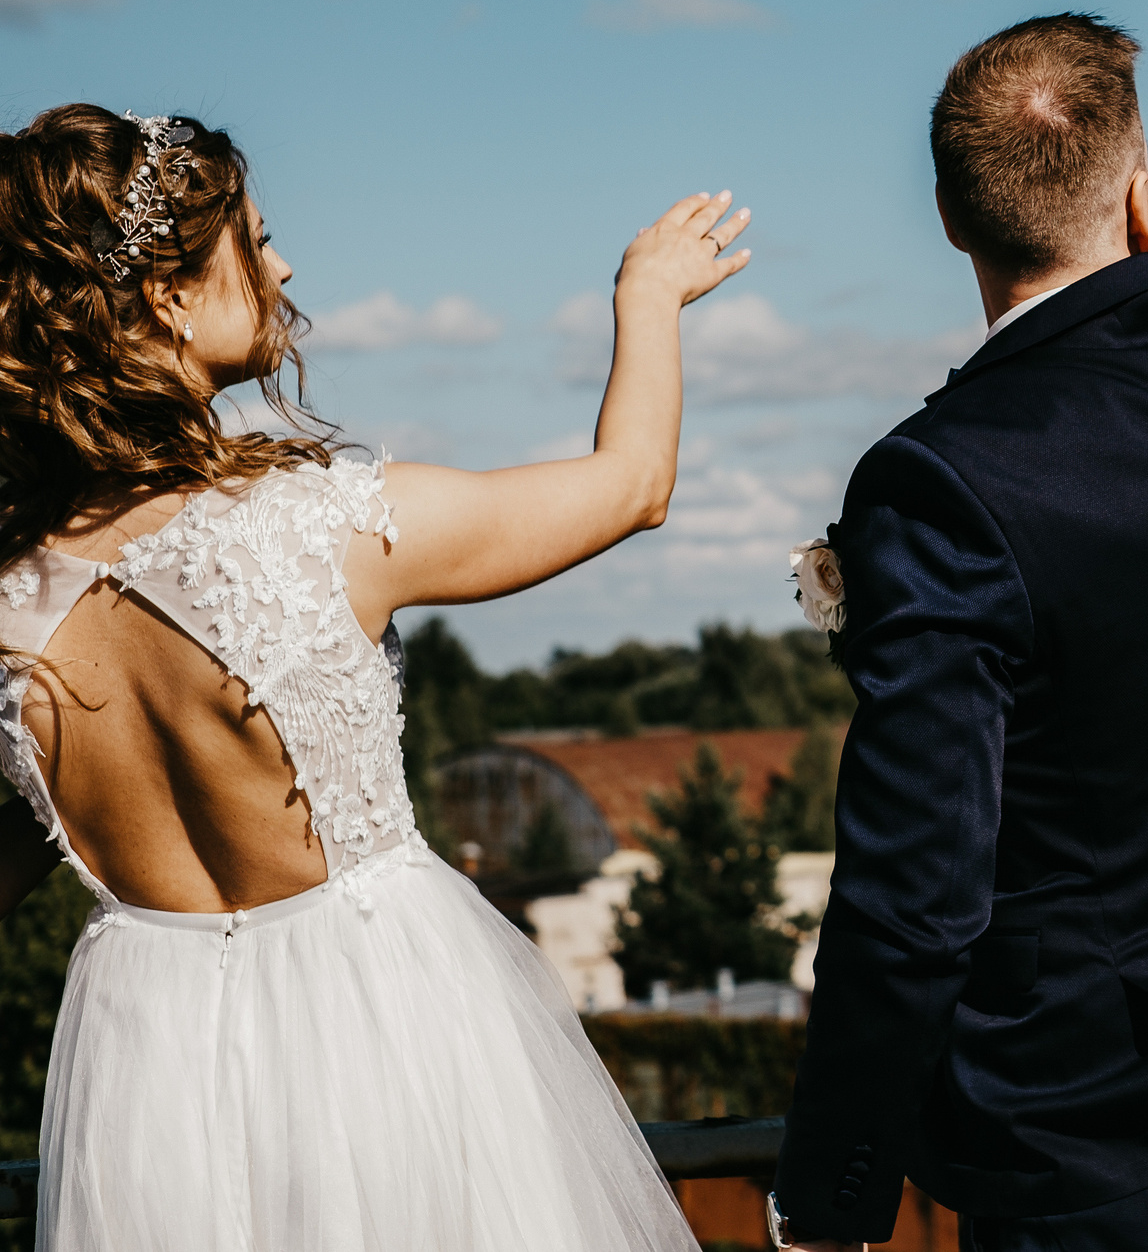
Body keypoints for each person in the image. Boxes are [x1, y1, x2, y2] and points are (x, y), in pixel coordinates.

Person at [0, 103, 750, 1251]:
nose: (284, 262)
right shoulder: (316, 528)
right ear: (166, 297)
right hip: (379, 1028)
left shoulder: (10, 607)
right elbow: (632, 484)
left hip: (150, 1079)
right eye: (253, 238)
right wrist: (646, 297)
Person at [772, 15, 1148, 1252]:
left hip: (1095, 1154)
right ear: (1142, 184)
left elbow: (916, 889)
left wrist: (834, 1187)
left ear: (947, 216)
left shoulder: (937, 480)